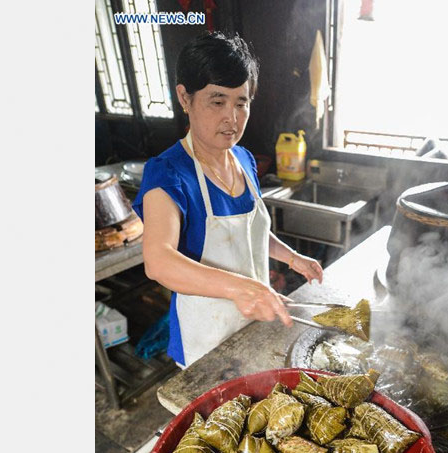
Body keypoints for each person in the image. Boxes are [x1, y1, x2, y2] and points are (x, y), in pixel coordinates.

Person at [133, 32, 323, 368]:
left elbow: (249, 232)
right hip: (206, 342)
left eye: (241, 103)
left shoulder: (244, 160)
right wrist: (242, 289)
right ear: (185, 98)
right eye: (217, 102)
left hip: (253, 328)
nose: (232, 118)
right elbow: (158, 261)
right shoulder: (168, 173)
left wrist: (291, 258)